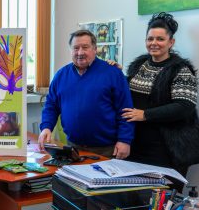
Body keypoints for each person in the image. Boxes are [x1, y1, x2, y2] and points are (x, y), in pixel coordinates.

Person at [122, 12, 199, 192]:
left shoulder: (180, 70)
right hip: (137, 146)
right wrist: (114, 73)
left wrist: (145, 115)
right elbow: (126, 93)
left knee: (162, 206)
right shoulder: (139, 65)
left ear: (171, 42)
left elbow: (184, 106)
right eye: (150, 38)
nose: (154, 43)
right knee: (136, 203)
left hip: (167, 150)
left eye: (160, 39)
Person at [38, 29, 135, 159]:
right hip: (73, 147)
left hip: (107, 149)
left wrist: (124, 140)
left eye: (85, 47)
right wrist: (46, 127)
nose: (80, 52)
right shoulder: (61, 75)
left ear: (95, 49)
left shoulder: (113, 73)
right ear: (70, 50)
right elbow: (51, 106)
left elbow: (125, 110)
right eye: (76, 48)